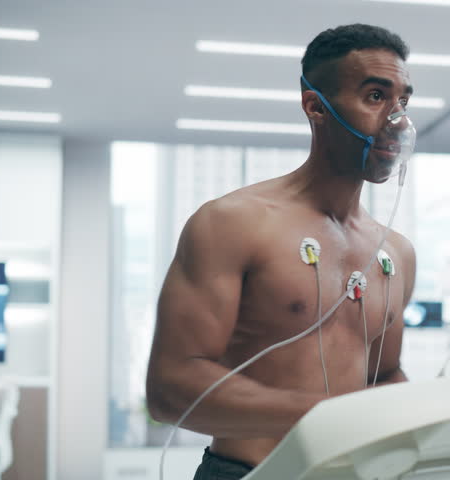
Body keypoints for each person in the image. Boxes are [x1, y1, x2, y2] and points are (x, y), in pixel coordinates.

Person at [146, 24, 417, 480]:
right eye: (376, 96)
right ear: (316, 107)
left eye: (403, 101)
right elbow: (171, 389)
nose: (398, 120)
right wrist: (330, 416)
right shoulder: (233, 222)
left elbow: (385, 376)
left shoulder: (395, 252)